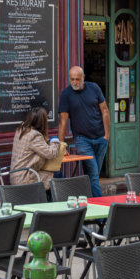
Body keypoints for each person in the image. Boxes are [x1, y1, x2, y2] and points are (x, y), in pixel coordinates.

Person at [58, 66, 110, 197]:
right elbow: (63, 122)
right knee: (93, 175)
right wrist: (61, 145)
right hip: (82, 140)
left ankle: (87, 204)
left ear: (83, 78)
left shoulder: (94, 88)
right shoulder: (66, 94)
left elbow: (105, 110)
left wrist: (107, 135)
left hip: (100, 138)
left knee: (93, 175)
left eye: (77, 79)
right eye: (72, 79)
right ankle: (101, 213)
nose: (74, 82)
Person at [10, 107, 63, 190]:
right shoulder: (34, 135)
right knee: (57, 174)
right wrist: (55, 140)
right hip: (25, 179)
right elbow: (51, 153)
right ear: (43, 122)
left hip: (15, 176)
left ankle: (46, 200)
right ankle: (51, 202)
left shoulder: (21, 130)